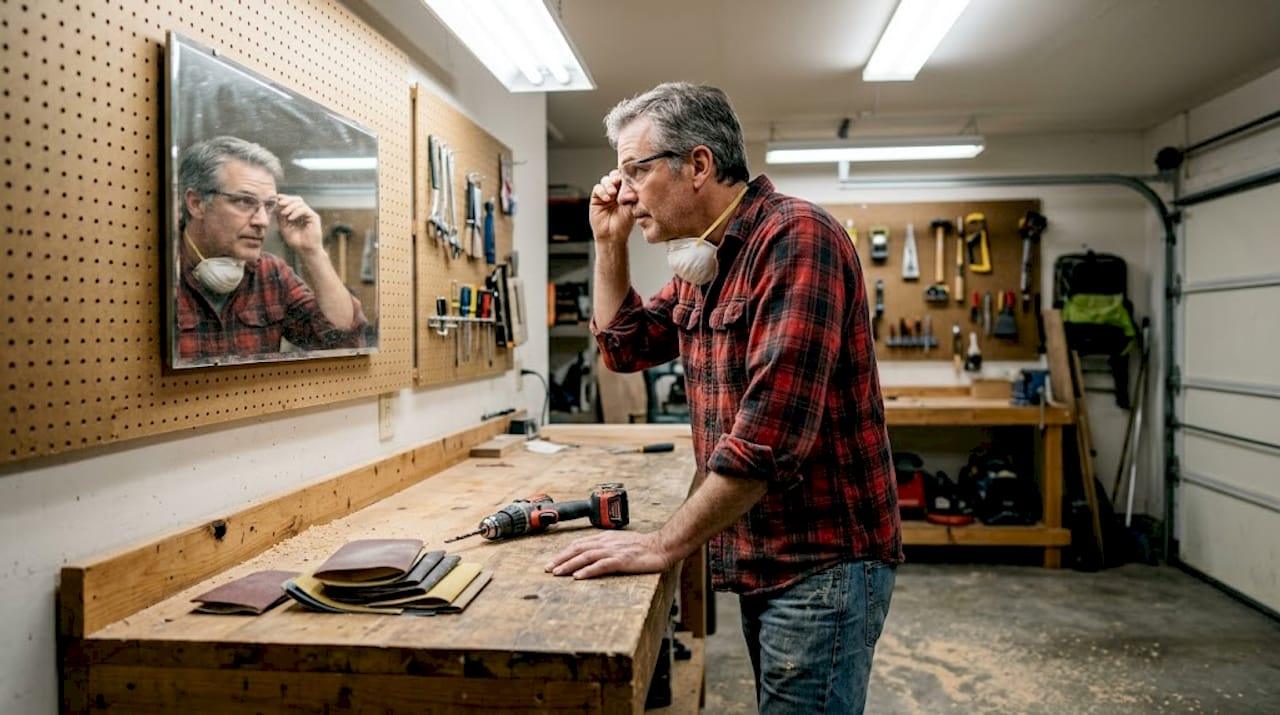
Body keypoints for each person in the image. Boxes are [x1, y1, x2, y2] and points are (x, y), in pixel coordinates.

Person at [545, 83, 902, 713]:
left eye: (636, 170)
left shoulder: (796, 239)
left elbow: (767, 441)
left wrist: (661, 544)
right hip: (767, 552)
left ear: (700, 165)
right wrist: (609, 245)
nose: (622, 191)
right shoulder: (706, 260)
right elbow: (624, 347)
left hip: (823, 562)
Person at [175, 136, 366, 363]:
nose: (263, 221)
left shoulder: (271, 273)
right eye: (244, 201)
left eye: (268, 205)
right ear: (196, 204)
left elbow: (343, 343)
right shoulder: (155, 270)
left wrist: (313, 251)